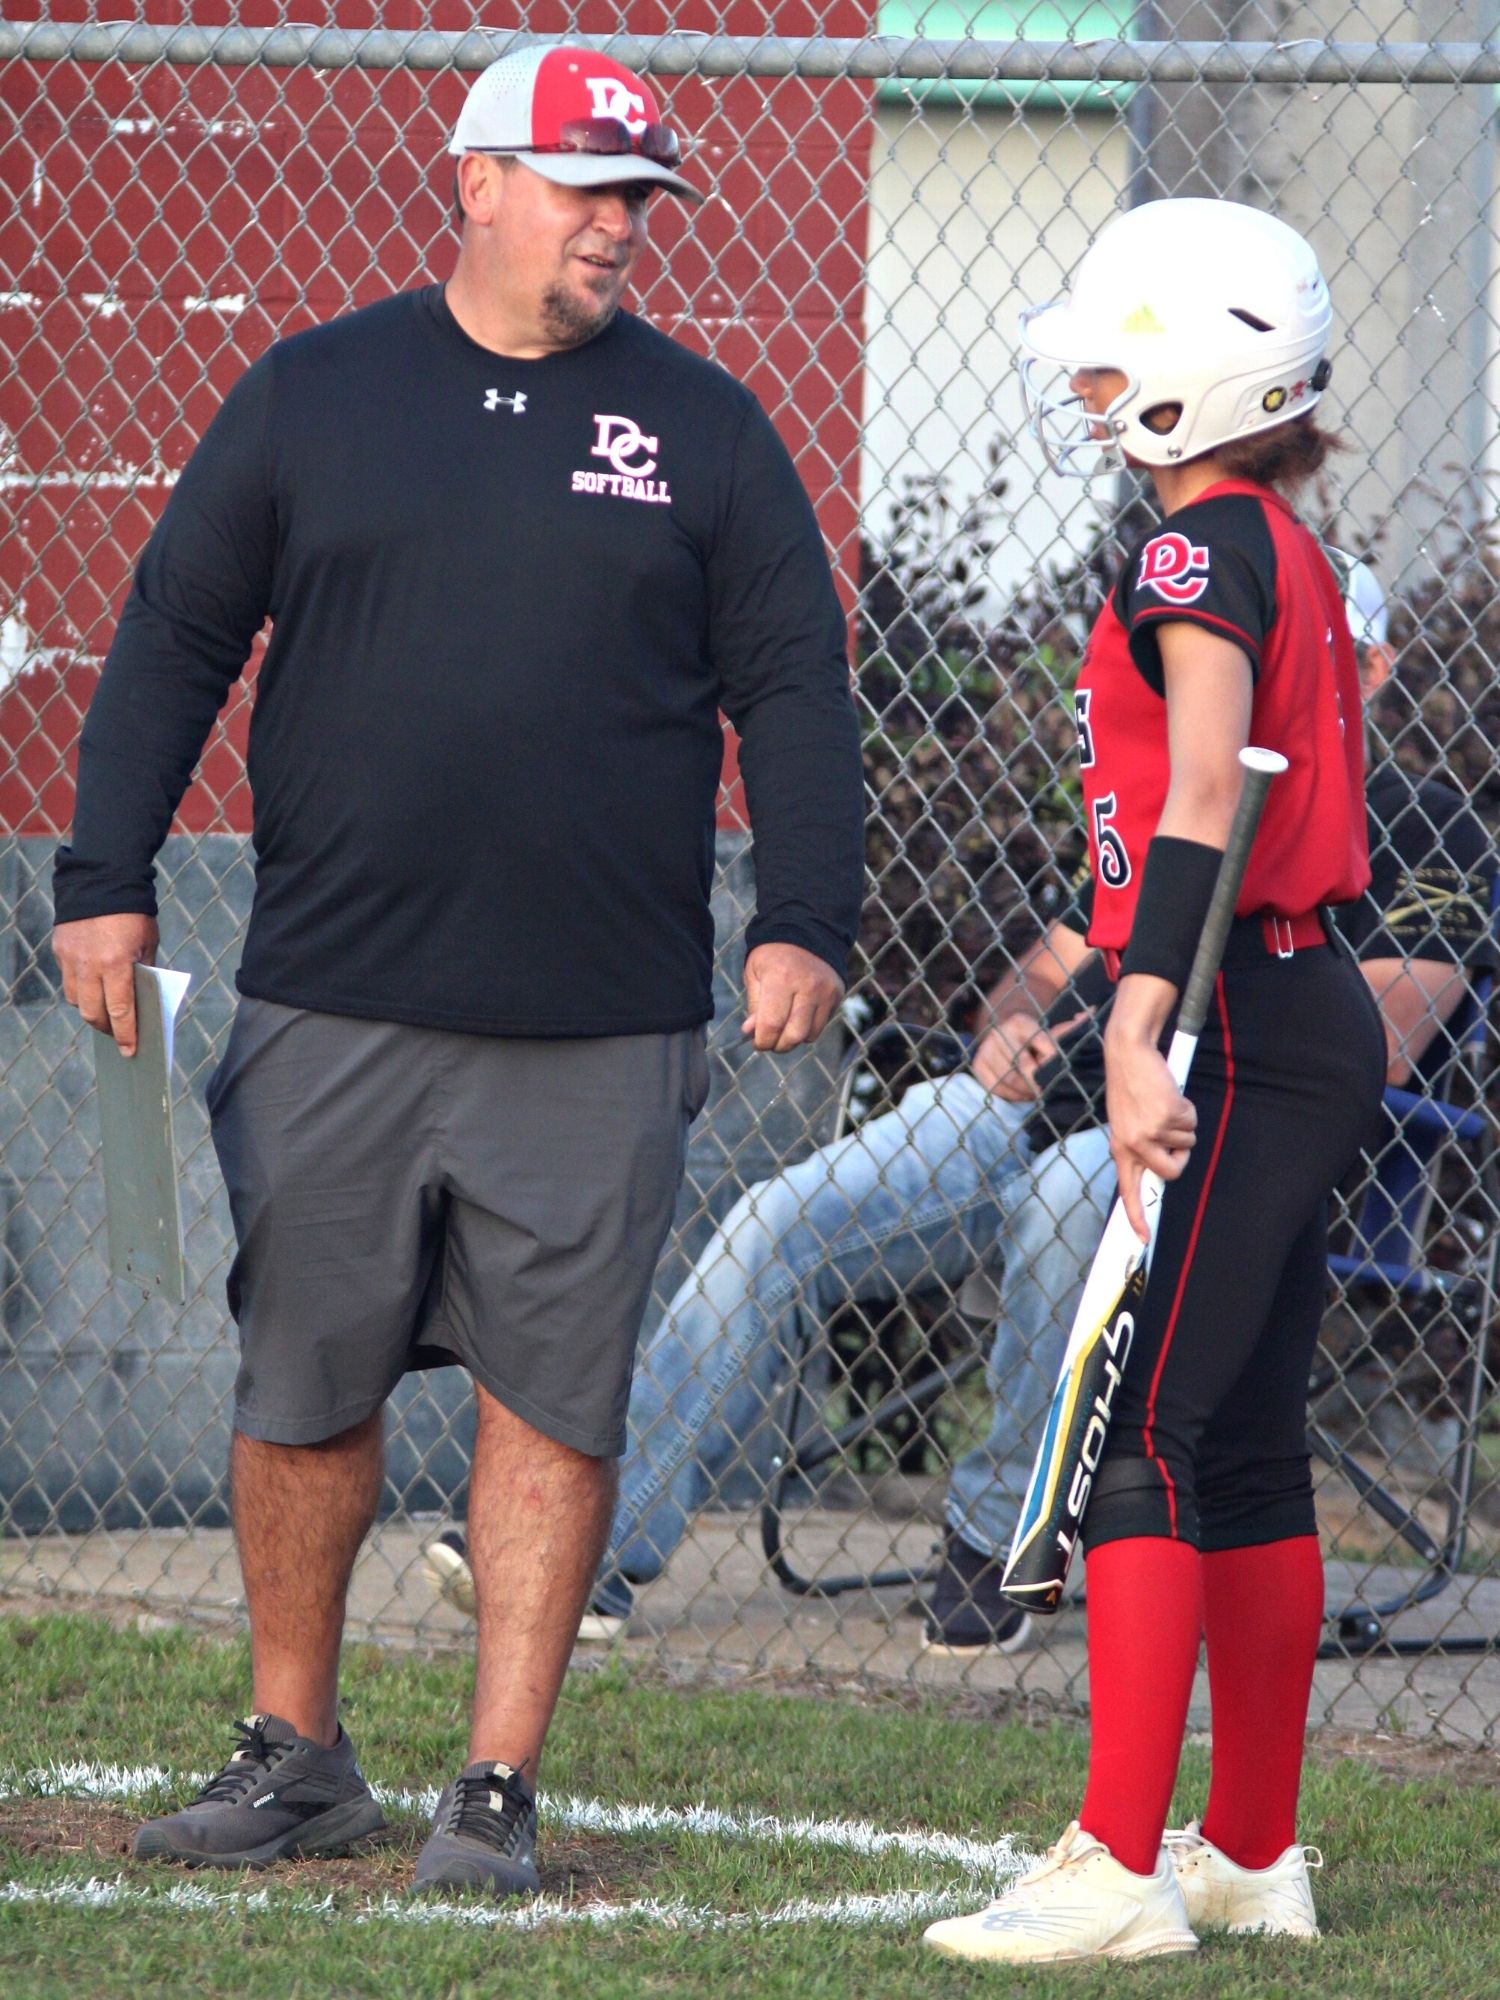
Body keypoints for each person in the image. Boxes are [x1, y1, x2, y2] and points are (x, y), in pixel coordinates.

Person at [48, 43, 863, 1900]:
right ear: (477, 178)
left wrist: (808, 913)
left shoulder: (709, 428)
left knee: (555, 1400)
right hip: (334, 989)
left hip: (602, 1014)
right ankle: (294, 1753)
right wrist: (101, 883)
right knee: (303, 1379)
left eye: (639, 196)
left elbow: (796, 687)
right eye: (584, 187)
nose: (616, 225)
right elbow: (174, 632)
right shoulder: (312, 393)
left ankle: (493, 1787)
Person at [421, 559, 1490, 1670]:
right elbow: (1047, 967)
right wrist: (1012, 1025)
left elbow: (1376, 1033)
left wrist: (1149, 1040)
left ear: (1368, 667)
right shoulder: (1181, 804)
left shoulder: (1431, 830)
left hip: (1192, 1146)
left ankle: (996, 1537)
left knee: (1059, 1199)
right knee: (775, 1223)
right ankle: (596, 1540)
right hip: (1020, 1107)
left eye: (1309, 655)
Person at [922, 197, 1388, 1964]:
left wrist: (1136, 1023)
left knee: (1146, 1439)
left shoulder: (1196, 551)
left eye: (1120, 350)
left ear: (1204, 367)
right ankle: (1249, 1853)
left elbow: (1206, 792)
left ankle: (1120, 1868)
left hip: (1234, 1008)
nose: (1094, 380)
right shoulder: (1280, 537)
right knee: (1251, 1445)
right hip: (1296, 999)